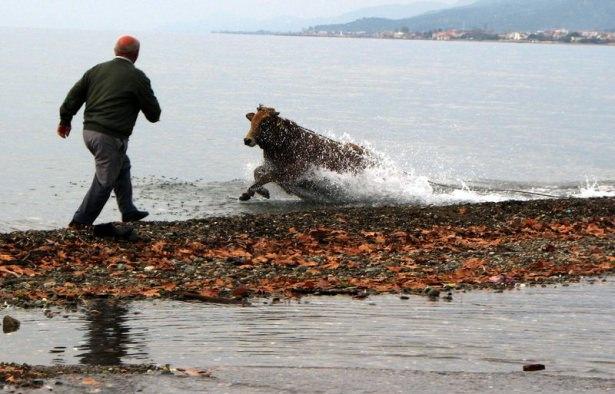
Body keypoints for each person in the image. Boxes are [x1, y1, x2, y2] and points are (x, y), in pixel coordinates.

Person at [57, 35, 161, 229]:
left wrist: (65, 120)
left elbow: (73, 96)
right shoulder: (137, 77)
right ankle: (79, 222)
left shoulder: (96, 70)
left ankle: (128, 210)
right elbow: (154, 114)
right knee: (105, 181)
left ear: (115, 51)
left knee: (122, 164)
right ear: (136, 54)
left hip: (89, 132)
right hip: (110, 136)